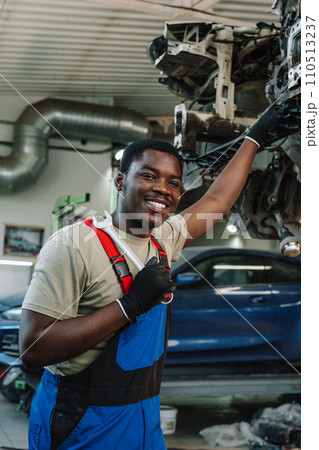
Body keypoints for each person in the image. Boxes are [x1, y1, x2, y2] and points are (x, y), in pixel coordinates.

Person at [19, 102, 286, 449]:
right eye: (148, 175)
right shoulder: (73, 245)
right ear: (120, 180)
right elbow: (33, 348)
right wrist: (129, 306)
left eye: (173, 182)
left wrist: (255, 137)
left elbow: (218, 198)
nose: (163, 189)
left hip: (143, 415)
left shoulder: (164, 239)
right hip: (81, 419)